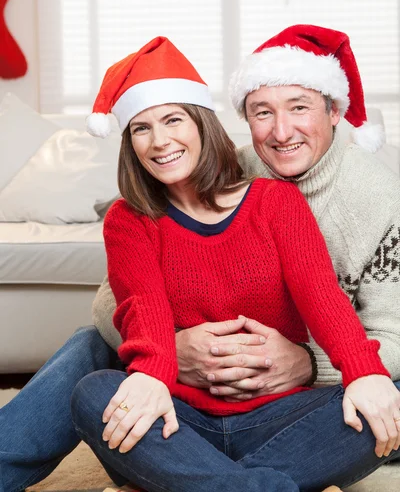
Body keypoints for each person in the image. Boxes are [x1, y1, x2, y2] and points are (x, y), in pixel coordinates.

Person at [0, 26, 398, 492]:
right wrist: (167, 355)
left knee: (383, 401)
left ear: (334, 111)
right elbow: (132, 302)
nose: (281, 131)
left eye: (299, 108)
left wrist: (324, 366)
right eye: (263, 113)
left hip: (289, 401)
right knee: (92, 381)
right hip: (178, 409)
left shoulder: (356, 199)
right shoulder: (156, 207)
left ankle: (190, 482)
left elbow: (329, 301)